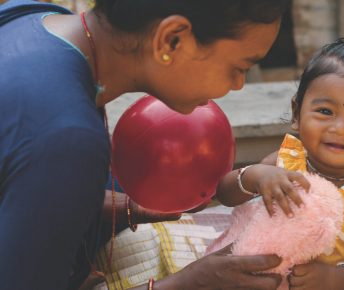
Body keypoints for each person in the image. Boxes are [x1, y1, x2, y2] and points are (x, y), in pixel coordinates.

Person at [0, 0, 291, 289]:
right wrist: (190, 283)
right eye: (238, 67)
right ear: (171, 39)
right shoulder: (69, 139)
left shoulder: (34, 16)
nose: (239, 84)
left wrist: (118, 207)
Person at [216, 34, 344, 290]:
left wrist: (335, 279)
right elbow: (224, 194)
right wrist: (254, 176)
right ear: (296, 113)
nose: (340, 128)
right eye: (325, 111)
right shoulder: (286, 162)